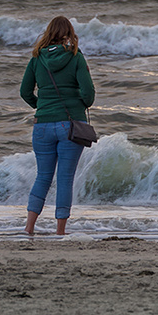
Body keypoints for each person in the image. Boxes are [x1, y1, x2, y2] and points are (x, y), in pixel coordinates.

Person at [18, 16, 95, 236]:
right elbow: (88, 94)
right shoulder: (75, 57)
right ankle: (60, 231)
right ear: (69, 34)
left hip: (42, 125)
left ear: (48, 33)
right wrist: (78, 105)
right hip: (71, 126)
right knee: (65, 178)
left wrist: (40, 106)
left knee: (42, 176)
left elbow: (25, 92)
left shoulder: (36, 58)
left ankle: (29, 227)